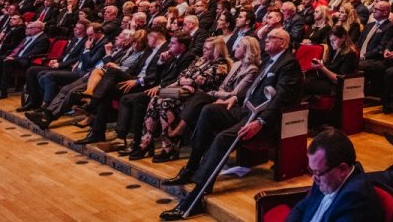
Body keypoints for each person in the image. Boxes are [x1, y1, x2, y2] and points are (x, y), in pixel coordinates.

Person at [159, 28, 303, 220]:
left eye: (271, 38)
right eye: (266, 37)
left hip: (264, 118)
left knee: (222, 138)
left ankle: (195, 198)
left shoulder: (289, 65)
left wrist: (260, 121)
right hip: (245, 109)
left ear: (283, 43)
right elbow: (253, 89)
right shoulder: (269, 60)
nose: (266, 40)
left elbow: (281, 99)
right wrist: (235, 98)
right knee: (209, 110)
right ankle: (192, 167)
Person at [129, 36, 230, 161]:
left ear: (217, 50)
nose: (203, 50)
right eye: (203, 47)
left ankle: (169, 145)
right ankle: (147, 141)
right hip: (184, 93)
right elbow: (183, 76)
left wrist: (189, 81)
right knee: (155, 100)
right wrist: (187, 81)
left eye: (207, 48)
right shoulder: (200, 60)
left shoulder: (221, 65)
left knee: (165, 104)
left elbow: (201, 81)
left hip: (198, 98)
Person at [164, 35, 261, 157]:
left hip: (227, 102)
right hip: (212, 95)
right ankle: (177, 135)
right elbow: (223, 85)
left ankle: (178, 134)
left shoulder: (248, 69)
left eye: (238, 46)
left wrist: (213, 93)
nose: (234, 48)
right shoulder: (236, 64)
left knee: (196, 97)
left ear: (247, 50)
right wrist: (217, 94)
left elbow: (235, 94)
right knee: (160, 99)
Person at [286, 128, 381, 222]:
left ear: (342, 169)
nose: (314, 178)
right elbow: (301, 209)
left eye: (318, 172)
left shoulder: (357, 199)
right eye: (312, 171)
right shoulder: (324, 179)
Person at [304, 26, 358, 98]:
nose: (331, 43)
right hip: (327, 81)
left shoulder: (350, 54)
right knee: (304, 79)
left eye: (334, 40)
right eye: (330, 41)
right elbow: (328, 69)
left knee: (305, 83)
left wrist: (322, 68)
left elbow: (340, 80)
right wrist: (318, 67)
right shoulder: (334, 50)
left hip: (337, 86)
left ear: (343, 38)